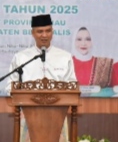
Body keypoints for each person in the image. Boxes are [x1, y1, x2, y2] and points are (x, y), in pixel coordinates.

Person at [7, 14, 76, 142]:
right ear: (32, 33)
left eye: (48, 31)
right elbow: (9, 87)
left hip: (58, 116)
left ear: (52, 32)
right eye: (40, 31)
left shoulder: (64, 57)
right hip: (28, 116)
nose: (44, 35)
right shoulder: (21, 58)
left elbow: (73, 86)